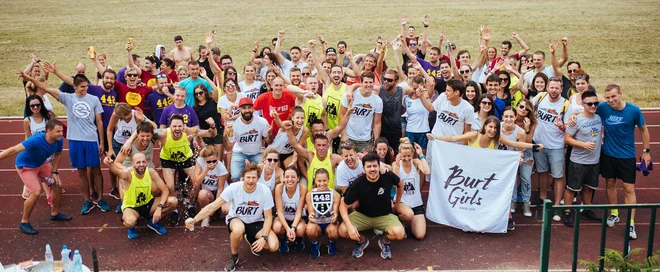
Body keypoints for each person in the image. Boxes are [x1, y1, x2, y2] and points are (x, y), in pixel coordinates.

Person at [430, 116, 543, 230]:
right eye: (490, 127)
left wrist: (532, 146)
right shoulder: (475, 135)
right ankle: (467, 220)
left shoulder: (497, 138)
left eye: (495, 128)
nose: (493, 130)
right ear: (485, 126)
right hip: (471, 171)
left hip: (486, 171)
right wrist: (436, 137)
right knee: (469, 195)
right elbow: (454, 138)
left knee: (490, 193)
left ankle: (500, 218)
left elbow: (515, 144)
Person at [20, 71, 110, 214]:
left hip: (91, 140)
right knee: (81, 172)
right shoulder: (67, 98)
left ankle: (100, 199)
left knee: (96, 170)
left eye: (86, 86)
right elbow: (46, 88)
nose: (85, 89)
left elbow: (99, 122)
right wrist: (29, 78)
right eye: (82, 87)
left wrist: (101, 143)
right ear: (74, 86)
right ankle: (87, 200)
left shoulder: (93, 99)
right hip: (75, 140)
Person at [185, 162, 279, 272]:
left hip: (256, 221)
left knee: (273, 246)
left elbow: (268, 217)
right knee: (239, 229)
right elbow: (213, 206)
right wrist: (195, 219)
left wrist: (264, 238)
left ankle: (250, 238)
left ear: (258, 178)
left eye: (254, 177)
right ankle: (234, 256)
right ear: (243, 177)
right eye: (248, 177)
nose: (251, 180)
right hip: (236, 219)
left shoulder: (264, 191)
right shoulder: (233, 188)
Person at [595, 84, 650, 239]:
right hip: (608, 154)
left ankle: (631, 223)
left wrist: (646, 152)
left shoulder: (634, 110)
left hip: (627, 156)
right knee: (610, 183)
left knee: (628, 188)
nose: (611, 100)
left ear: (620, 94)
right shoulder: (603, 108)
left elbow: (644, 130)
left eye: (613, 96)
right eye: (608, 98)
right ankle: (614, 213)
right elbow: (588, 109)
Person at [0, 120, 70, 235]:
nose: (61, 133)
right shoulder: (36, 140)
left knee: (57, 185)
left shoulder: (59, 140)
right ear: (48, 131)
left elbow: (58, 154)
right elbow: (14, 149)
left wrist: (55, 172)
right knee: (36, 192)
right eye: (58, 131)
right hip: (26, 166)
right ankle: (24, 222)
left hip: (42, 163)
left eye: (61, 131)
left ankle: (55, 214)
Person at [338, 153, 405, 259]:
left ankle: (385, 241)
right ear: (363, 169)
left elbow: (401, 184)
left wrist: (397, 204)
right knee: (343, 230)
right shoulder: (358, 183)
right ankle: (362, 241)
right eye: (369, 166)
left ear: (379, 166)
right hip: (363, 215)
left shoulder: (387, 176)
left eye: (375, 166)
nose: (372, 169)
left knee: (399, 233)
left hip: (385, 215)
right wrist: (350, 227)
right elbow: (343, 205)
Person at [158, 114, 217, 224]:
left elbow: (211, 133)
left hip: (186, 159)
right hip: (168, 160)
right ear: (169, 126)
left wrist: (213, 126)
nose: (177, 129)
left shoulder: (189, 131)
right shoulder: (164, 133)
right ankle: (174, 209)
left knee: (196, 182)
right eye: (174, 126)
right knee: (170, 185)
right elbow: (146, 132)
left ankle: (190, 205)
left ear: (184, 126)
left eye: (179, 126)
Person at [105, 152, 176, 239]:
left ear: (146, 162)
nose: (141, 164)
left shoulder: (151, 172)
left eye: (143, 162)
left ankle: (152, 221)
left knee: (173, 201)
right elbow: (117, 172)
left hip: (148, 204)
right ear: (133, 164)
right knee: (130, 221)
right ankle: (131, 227)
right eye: (138, 162)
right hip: (132, 207)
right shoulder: (128, 175)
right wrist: (110, 165)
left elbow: (165, 191)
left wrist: (159, 208)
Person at [562, 91, 603, 227]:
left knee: (589, 188)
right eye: (589, 103)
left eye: (595, 103)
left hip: (594, 161)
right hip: (578, 161)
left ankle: (587, 209)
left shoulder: (598, 117)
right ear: (583, 104)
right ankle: (566, 211)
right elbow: (567, 139)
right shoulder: (576, 120)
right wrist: (583, 144)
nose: (593, 106)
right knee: (572, 188)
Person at [531, 77, 568, 222]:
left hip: (556, 145)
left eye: (556, 88)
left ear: (561, 89)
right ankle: (543, 199)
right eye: (551, 87)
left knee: (558, 176)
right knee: (542, 172)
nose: (553, 90)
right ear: (547, 87)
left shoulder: (565, 104)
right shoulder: (539, 98)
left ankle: (557, 205)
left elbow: (570, 127)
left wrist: (562, 127)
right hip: (540, 144)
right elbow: (528, 109)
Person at [106, 103, 157, 209]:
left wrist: (143, 119)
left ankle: (143, 197)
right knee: (120, 171)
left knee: (138, 167)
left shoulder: (136, 115)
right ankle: (121, 196)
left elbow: (151, 128)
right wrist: (110, 148)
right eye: (122, 117)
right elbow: (109, 129)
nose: (125, 118)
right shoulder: (116, 115)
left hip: (135, 142)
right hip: (119, 142)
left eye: (126, 116)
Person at [284, 120, 342, 190]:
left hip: (329, 197)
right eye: (319, 145)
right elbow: (295, 145)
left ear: (328, 146)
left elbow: (349, 163)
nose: (321, 148)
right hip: (311, 196)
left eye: (324, 145)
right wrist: (288, 130)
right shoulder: (310, 155)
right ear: (314, 146)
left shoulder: (334, 158)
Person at [392, 138, 430, 240]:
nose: (407, 158)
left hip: (416, 204)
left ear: (413, 153)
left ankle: (410, 222)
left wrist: (421, 154)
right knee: (408, 214)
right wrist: (397, 164)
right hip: (401, 203)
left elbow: (427, 171)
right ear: (399, 154)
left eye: (409, 155)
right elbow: (394, 183)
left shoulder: (416, 162)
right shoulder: (395, 164)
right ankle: (401, 220)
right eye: (404, 156)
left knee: (420, 235)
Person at [227, 97, 271, 182]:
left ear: (253, 108)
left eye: (249, 107)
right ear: (239, 109)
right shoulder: (233, 124)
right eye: (244, 108)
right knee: (235, 178)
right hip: (240, 152)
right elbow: (230, 145)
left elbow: (268, 141)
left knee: (262, 177)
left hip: (257, 152)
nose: (247, 110)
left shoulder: (262, 121)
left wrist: (270, 133)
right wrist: (227, 134)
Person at [340, 72, 383, 152]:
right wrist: (343, 134)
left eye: (370, 82)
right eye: (366, 82)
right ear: (361, 83)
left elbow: (377, 123)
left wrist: (376, 142)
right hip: (348, 137)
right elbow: (341, 115)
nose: (368, 85)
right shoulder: (350, 95)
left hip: (365, 140)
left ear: (374, 83)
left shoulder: (378, 100)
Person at [21, 95, 53, 203]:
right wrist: (28, 150)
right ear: (28, 107)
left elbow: (55, 129)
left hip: (49, 149)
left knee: (51, 171)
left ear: (41, 105)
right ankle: (49, 196)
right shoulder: (27, 120)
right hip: (37, 151)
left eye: (37, 105)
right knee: (42, 173)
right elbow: (28, 137)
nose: (35, 107)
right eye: (32, 105)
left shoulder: (48, 116)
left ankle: (52, 189)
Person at [306, 169, 341, 258]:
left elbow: (335, 214)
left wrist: (335, 217)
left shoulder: (335, 194)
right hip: (317, 223)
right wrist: (310, 217)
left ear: (329, 180)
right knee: (310, 229)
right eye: (319, 181)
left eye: (324, 180)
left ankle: (331, 242)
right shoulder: (310, 194)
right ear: (315, 180)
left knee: (334, 232)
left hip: (330, 222)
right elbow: (311, 213)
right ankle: (315, 243)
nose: (322, 183)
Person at [192, 146, 229, 228]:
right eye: (209, 161)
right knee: (202, 194)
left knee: (225, 210)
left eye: (214, 161)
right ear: (204, 159)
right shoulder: (200, 161)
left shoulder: (221, 167)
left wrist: (213, 207)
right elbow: (196, 182)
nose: (212, 163)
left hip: (220, 191)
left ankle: (218, 211)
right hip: (207, 191)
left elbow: (220, 188)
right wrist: (206, 170)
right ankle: (206, 215)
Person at [273, 166, 307, 253]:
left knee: (300, 230)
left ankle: (299, 240)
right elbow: (279, 211)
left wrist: (293, 227)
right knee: (277, 227)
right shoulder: (279, 188)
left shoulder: (302, 189)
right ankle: (282, 240)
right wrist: (288, 229)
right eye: (287, 177)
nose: (290, 179)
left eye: (293, 177)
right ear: (283, 178)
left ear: (298, 178)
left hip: (298, 218)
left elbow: (299, 211)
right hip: (283, 218)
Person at [512, 100, 537, 217]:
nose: (523, 110)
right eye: (521, 106)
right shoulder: (510, 118)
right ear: (516, 107)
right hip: (512, 151)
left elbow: (528, 141)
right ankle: (512, 201)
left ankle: (526, 203)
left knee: (526, 178)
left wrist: (527, 128)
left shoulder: (531, 122)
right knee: (512, 178)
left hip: (526, 152)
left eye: (527, 109)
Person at [194, 84, 224, 159]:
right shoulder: (195, 107)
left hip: (218, 132)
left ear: (205, 92)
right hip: (205, 135)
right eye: (196, 94)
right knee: (208, 158)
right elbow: (197, 124)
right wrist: (200, 139)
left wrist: (205, 76)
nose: (198, 95)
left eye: (200, 93)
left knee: (218, 158)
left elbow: (216, 90)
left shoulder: (212, 100)